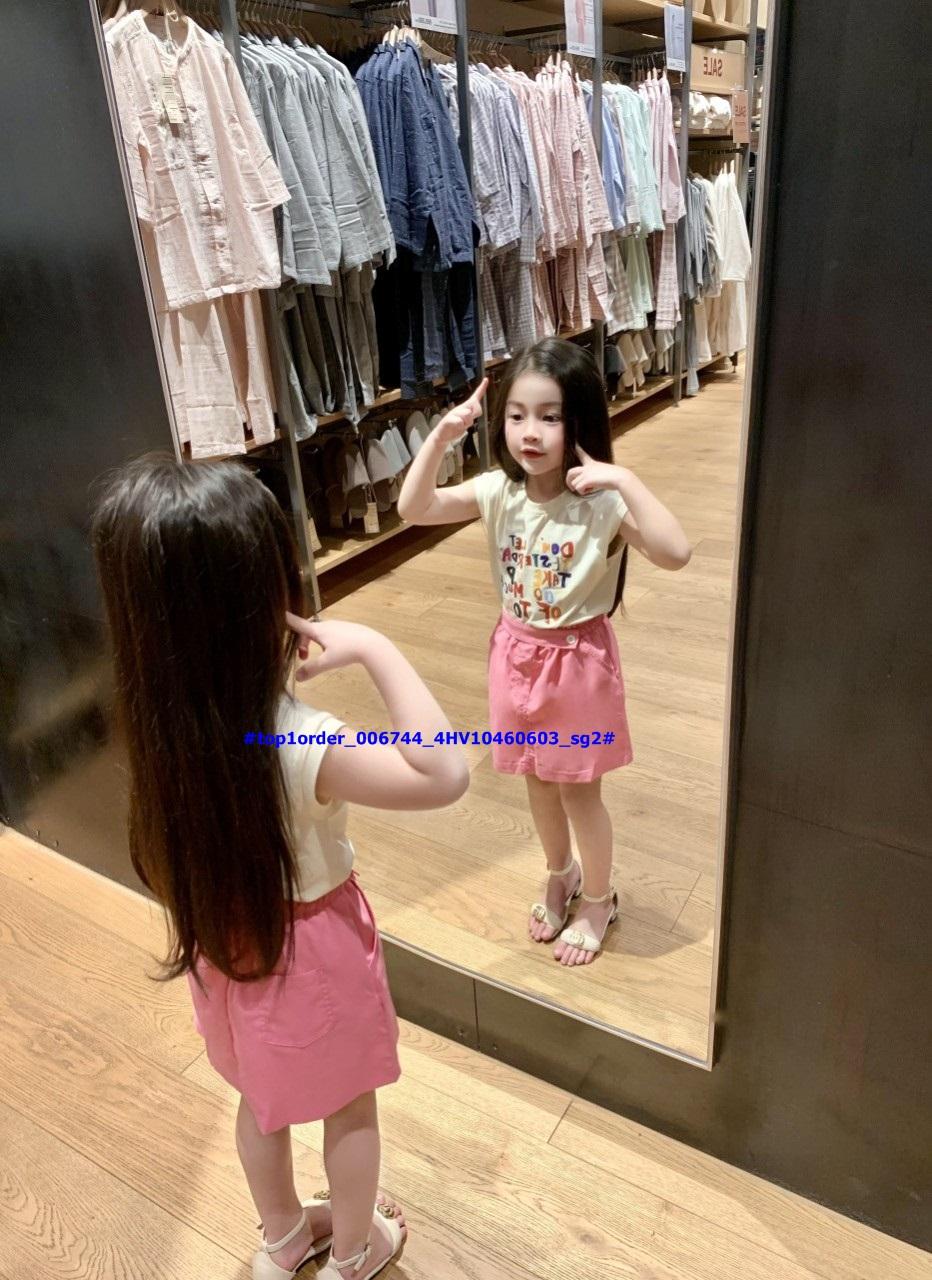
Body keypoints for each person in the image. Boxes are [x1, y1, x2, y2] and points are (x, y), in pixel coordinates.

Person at [91, 455, 469, 1280]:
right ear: (265, 599)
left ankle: (283, 1237)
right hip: (314, 956)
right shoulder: (297, 741)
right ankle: (357, 1252)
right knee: (349, 1107)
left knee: (261, 1103)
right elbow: (445, 773)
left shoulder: (158, 730)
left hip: (225, 949)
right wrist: (376, 650)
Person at [398, 337, 691, 965]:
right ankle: (561, 873)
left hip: (577, 667)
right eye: (516, 415)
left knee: (579, 792)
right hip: (514, 657)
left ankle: (600, 899)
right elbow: (412, 507)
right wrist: (441, 436)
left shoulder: (602, 503)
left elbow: (675, 552)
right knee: (534, 779)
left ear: (578, 421)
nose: (529, 432)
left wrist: (624, 478)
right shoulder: (497, 492)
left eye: (549, 417)